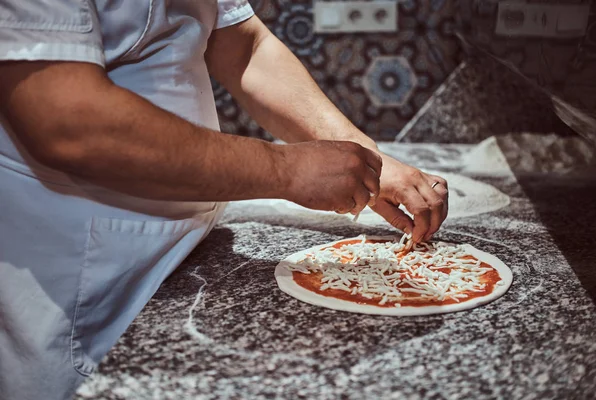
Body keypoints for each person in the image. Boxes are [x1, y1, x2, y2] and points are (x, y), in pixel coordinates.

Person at [0, 1, 449, 398]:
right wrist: (287, 170)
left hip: (181, 258)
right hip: (80, 278)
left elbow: (243, 45)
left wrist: (365, 157)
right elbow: (68, 122)